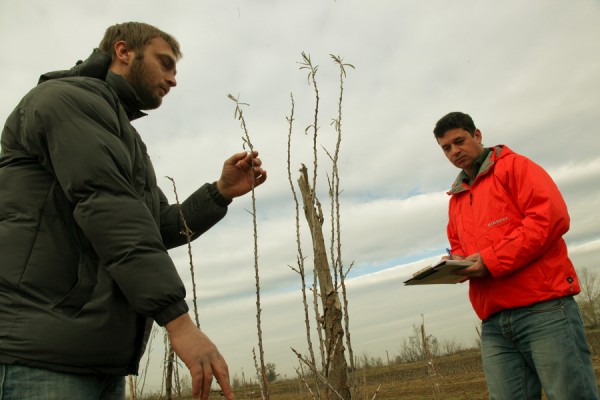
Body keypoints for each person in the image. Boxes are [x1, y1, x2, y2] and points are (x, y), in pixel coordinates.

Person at [0, 22, 266, 400]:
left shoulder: (122, 134)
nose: (173, 79)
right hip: (39, 356)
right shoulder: (65, 100)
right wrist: (178, 321)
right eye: (165, 63)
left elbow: (155, 227)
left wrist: (220, 193)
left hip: (94, 358)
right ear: (123, 51)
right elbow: (110, 209)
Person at [433, 111, 599, 400]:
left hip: (545, 310)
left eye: (459, 141)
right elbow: (458, 245)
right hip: (494, 322)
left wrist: (490, 261)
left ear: (477, 135)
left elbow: (551, 218)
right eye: (446, 148)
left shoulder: (515, 168)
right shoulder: (457, 199)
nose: (454, 151)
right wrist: (454, 264)